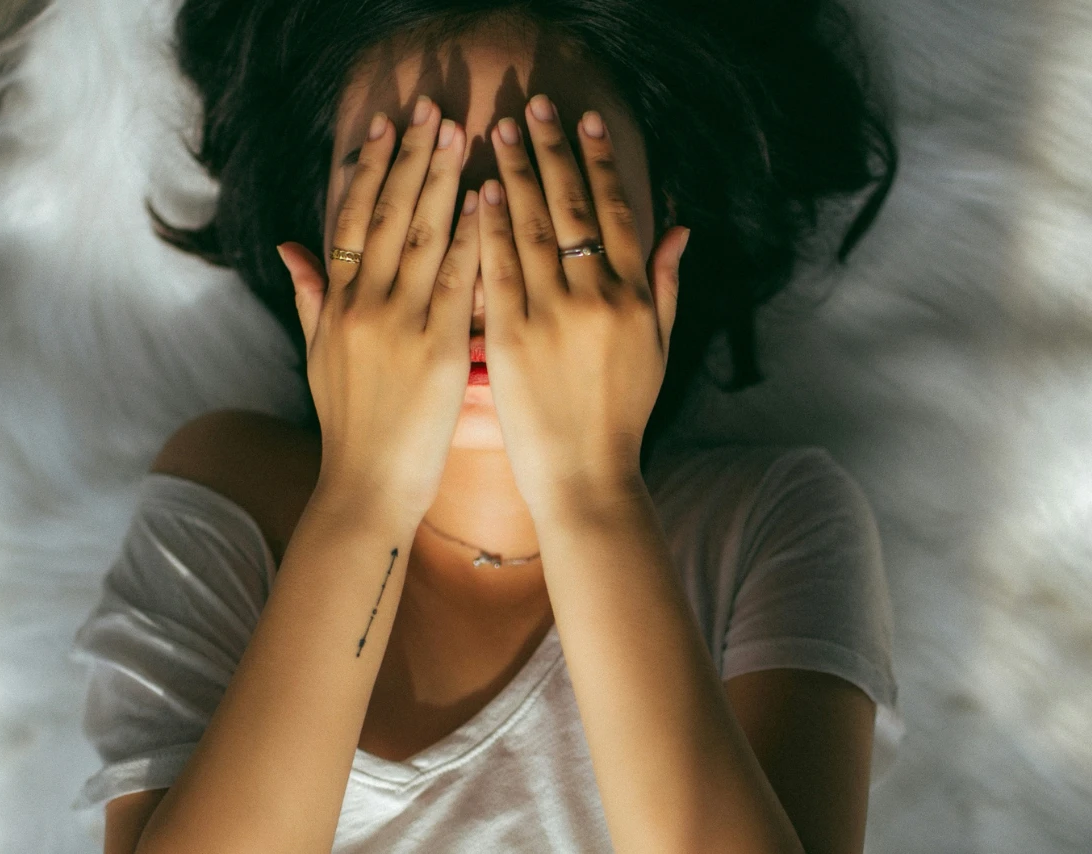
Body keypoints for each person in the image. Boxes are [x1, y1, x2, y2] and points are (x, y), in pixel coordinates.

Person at [71, 2, 901, 852]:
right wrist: (364, 496)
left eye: (550, 188)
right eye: (402, 192)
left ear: (660, 211)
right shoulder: (238, 495)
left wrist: (591, 493)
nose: (477, 261)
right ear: (321, 226)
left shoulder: (767, 528)